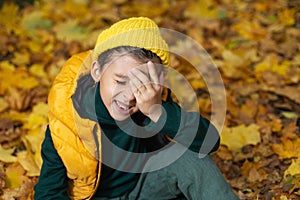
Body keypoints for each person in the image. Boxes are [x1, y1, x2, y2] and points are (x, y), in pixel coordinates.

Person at [34, 17, 238, 200]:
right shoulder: (67, 121)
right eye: (120, 81)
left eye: (141, 84)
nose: (130, 96)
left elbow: (209, 142)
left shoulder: (149, 103)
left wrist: (157, 111)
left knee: (190, 158)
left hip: (143, 187)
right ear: (97, 71)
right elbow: (48, 192)